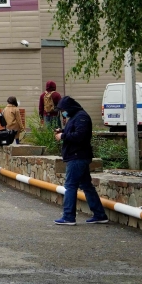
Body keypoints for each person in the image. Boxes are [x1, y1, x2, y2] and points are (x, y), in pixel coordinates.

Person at [53, 96, 108, 225]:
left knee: (70, 186)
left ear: (70, 108)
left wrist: (63, 135)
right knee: (86, 186)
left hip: (77, 156)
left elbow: (80, 136)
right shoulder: (76, 117)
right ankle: (100, 214)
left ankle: (68, 216)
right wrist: (63, 131)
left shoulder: (81, 117)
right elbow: (76, 132)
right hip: (78, 156)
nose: (63, 113)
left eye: (64, 110)